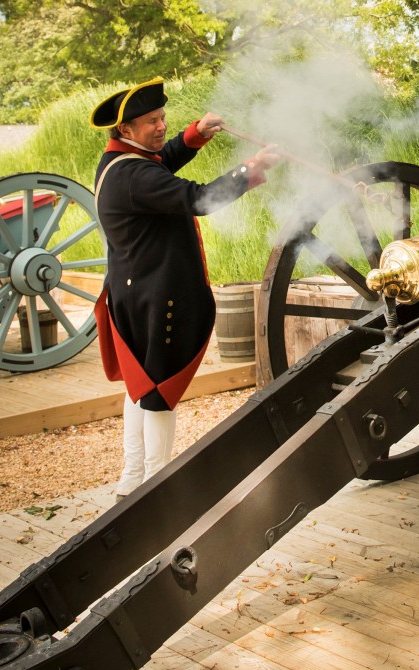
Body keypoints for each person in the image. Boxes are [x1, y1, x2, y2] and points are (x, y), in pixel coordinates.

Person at [90, 77, 280, 503]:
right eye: (151, 121)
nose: (161, 127)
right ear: (125, 130)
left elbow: (158, 161)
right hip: (159, 298)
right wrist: (251, 170)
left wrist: (195, 134)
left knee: (139, 385)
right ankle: (156, 484)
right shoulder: (136, 176)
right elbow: (199, 199)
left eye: (162, 118)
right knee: (158, 391)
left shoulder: (119, 161)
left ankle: (132, 474)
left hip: (132, 291)